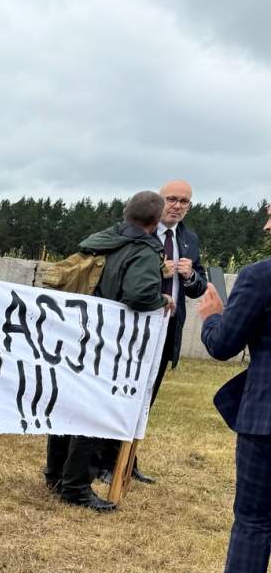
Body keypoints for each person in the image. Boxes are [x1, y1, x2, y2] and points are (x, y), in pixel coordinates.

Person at [44, 191, 173, 512]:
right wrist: (162, 300)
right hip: (109, 343)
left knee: (67, 407)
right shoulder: (142, 251)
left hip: (77, 336)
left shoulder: (99, 241)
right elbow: (140, 294)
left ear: (125, 213)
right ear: (154, 223)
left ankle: (55, 474)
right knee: (95, 412)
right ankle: (75, 486)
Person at [97, 179, 206, 484]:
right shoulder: (136, 233)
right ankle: (105, 461)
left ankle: (127, 460)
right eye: (172, 199)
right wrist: (159, 272)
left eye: (184, 201)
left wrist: (190, 275)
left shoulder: (189, 240)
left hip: (166, 331)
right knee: (119, 393)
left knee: (146, 397)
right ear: (159, 202)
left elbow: (198, 288)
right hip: (132, 328)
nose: (177, 206)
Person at [198, 255, 271, 573]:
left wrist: (212, 316)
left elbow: (223, 344)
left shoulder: (260, 275)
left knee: (254, 518)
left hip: (264, 418)